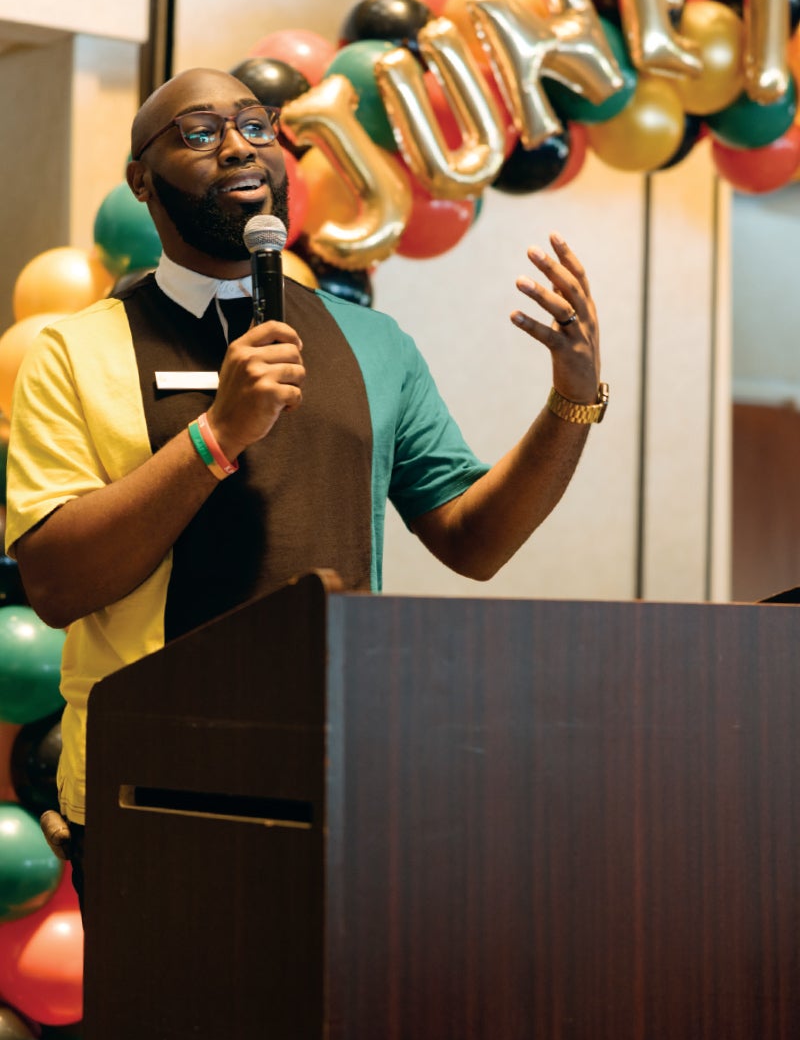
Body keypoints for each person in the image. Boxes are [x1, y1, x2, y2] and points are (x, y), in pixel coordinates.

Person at [5, 67, 606, 910]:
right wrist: (218, 437)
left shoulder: (372, 342)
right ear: (141, 180)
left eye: (255, 125)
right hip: (150, 783)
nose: (241, 147)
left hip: (338, 768)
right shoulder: (75, 352)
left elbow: (475, 540)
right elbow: (56, 584)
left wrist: (572, 400)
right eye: (200, 132)